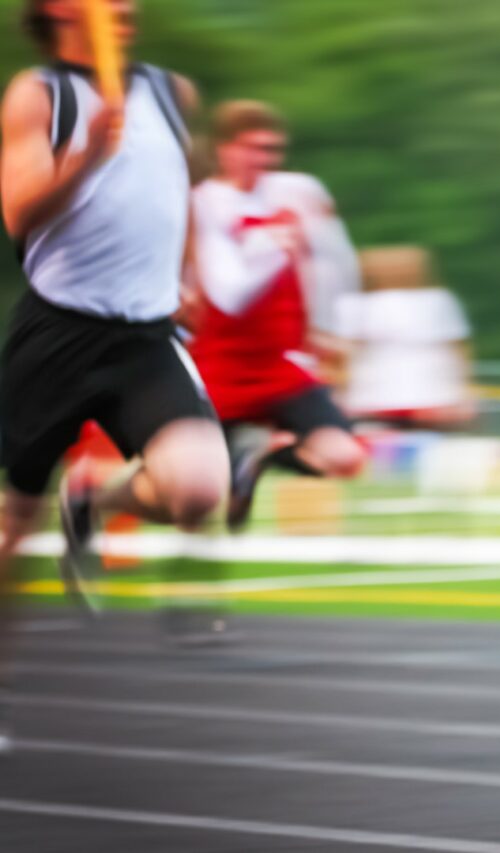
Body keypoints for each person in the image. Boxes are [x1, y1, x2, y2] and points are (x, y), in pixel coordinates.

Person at [0, 0, 230, 751]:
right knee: (10, 530)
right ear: (59, 8)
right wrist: (90, 152)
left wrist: (189, 271)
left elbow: (178, 189)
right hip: (57, 333)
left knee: (199, 486)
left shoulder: (170, 90)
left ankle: (95, 496)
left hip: (145, 333)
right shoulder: (40, 94)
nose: (127, 8)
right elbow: (18, 210)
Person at [185, 100, 366, 534]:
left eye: (272, 150)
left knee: (346, 458)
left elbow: (336, 262)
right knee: (194, 501)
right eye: (253, 149)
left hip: (278, 361)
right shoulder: (203, 203)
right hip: (219, 361)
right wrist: (271, 246)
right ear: (225, 150)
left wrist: (333, 332)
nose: (263, 161)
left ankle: (263, 456)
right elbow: (230, 293)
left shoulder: (299, 191)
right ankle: (94, 499)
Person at [338, 246, 477, 431]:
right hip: (390, 391)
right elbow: (458, 348)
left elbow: (342, 352)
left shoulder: (436, 300)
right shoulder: (436, 300)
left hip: (392, 392)